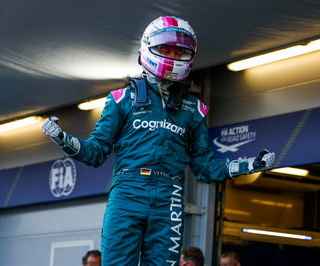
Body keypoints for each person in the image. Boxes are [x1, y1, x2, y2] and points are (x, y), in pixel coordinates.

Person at [42, 16, 275, 266]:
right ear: (148, 49)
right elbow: (95, 152)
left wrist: (249, 165)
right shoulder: (122, 99)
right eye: (166, 49)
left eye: (180, 51)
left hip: (170, 196)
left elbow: (206, 167)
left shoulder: (194, 110)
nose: (173, 56)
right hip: (127, 191)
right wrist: (62, 138)